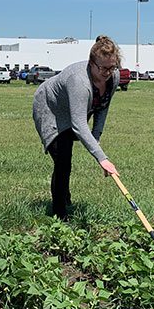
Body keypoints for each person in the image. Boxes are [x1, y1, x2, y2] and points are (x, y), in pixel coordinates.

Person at [32, 35, 121, 220]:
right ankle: (60, 214)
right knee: (63, 159)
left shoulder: (114, 76)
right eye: (103, 68)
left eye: (112, 67)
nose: (108, 72)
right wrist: (102, 159)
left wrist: (96, 137)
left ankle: (65, 197)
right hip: (51, 109)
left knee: (66, 159)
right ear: (91, 63)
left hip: (72, 108)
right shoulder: (79, 81)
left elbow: (103, 107)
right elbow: (79, 124)